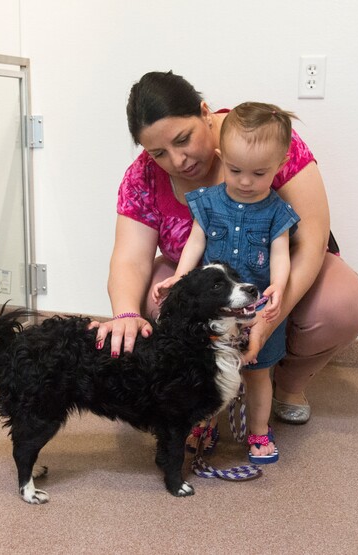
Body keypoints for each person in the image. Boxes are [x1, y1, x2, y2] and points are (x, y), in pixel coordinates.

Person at [92, 71, 358, 429]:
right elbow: (130, 258)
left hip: (274, 269)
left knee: (344, 305)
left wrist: (266, 322)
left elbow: (312, 240)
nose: (178, 161)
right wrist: (126, 315)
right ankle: (205, 382)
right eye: (159, 152)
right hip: (208, 280)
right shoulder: (142, 177)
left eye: (184, 139)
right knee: (158, 300)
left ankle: (288, 384)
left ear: (205, 113)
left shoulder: (261, 138)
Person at [151, 102, 301, 463]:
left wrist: (279, 285)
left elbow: (281, 253)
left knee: (257, 373)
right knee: (206, 368)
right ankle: (205, 423)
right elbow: (196, 241)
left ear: (279, 167)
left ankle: (259, 432)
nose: (246, 182)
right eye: (235, 170)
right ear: (222, 158)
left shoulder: (278, 211)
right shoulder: (208, 201)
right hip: (215, 309)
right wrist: (181, 277)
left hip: (255, 308)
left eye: (259, 173)